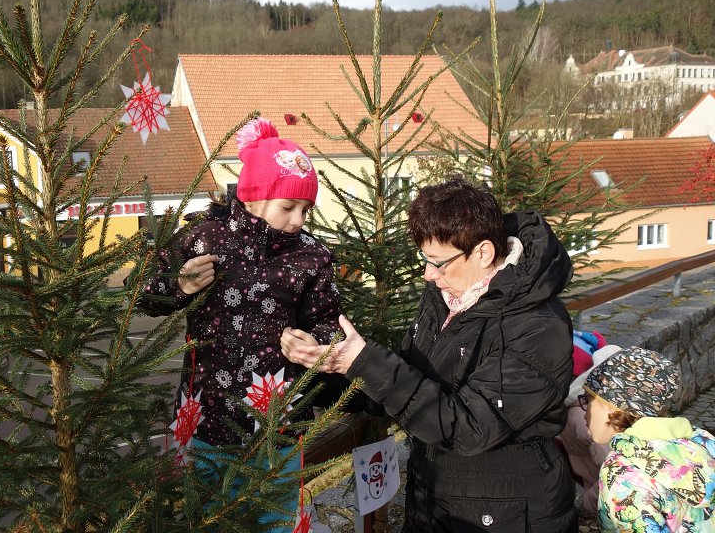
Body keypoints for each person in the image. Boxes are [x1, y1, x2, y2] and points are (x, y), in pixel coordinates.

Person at [281, 176, 577, 531]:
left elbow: (468, 427)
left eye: (438, 261)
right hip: (434, 497)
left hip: (505, 512)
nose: (427, 274)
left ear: (483, 252)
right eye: (425, 258)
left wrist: (365, 362)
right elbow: (413, 381)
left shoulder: (538, 326)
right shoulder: (448, 294)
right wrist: (329, 369)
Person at [136, 117, 343, 531]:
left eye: (306, 209)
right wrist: (179, 284)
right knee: (204, 520)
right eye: (288, 207)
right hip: (204, 418)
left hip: (277, 428)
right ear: (252, 197)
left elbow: (328, 325)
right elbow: (139, 290)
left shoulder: (312, 257)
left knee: (275, 522)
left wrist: (314, 344)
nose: (299, 220)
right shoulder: (204, 238)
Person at [581, 346, 715, 531]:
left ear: (612, 404)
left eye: (588, 399)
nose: (585, 413)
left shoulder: (622, 474)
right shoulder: (703, 443)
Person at [558, 338, 620, 514]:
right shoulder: (595, 420)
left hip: (596, 488)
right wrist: (591, 501)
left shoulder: (577, 408)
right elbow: (613, 475)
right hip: (608, 499)